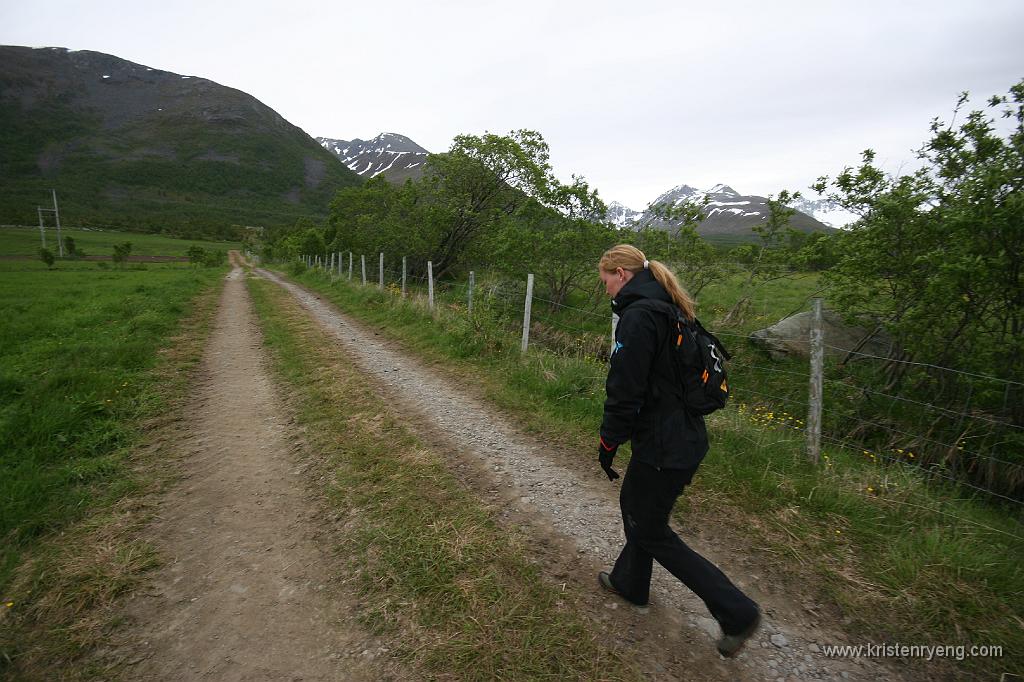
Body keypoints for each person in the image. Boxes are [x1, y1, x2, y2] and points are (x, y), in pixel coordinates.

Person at [595, 244, 761, 658]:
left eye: (606, 281)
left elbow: (625, 388)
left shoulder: (639, 316)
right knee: (640, 510)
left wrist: (608, 440)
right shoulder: (669, 307)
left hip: (664, 445)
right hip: (682, 437)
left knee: (648, 526)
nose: (606, 290)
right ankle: (630, 583)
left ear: (622, 274)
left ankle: (737, 612)